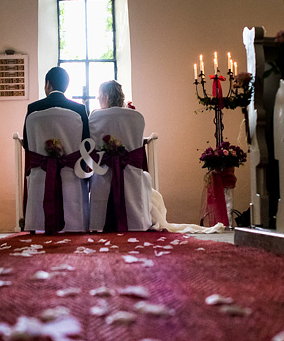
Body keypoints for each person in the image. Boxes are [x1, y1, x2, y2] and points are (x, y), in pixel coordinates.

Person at [92, 80, 224, 234]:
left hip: (103, 170)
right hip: (129, 171)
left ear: (106, 96)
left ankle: (98, 222)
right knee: (146, 179)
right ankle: (137, 220)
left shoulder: (95, 116)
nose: (97, 98)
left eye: (99, 95)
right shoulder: (133, 116)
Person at [21, 66, 90, 150]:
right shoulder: (79, 109)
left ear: (48, 84)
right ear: (66, 86)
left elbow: (27, 143)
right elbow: (87, 144)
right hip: (73, 162)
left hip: (41, 163)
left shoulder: (33, 108)